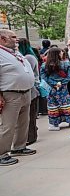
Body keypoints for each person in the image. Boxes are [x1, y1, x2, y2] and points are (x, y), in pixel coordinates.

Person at [0, 30, 36, 166]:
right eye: (13, 37)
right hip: (10, 94)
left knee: (23, 122)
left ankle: (19, 147)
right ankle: (2, 153)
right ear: (2, 39)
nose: (17, 40)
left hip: (25, 92)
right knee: (8, 125)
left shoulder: (14, 52)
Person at [41, 48, 70, 131]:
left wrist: (54, 84)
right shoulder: (66, 64)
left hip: (52, 89)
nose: (62, 54)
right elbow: (69, 76)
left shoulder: (44, 65)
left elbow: (44, 77)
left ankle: (54, 124)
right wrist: (61, 83)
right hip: (64, 88)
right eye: (61, 53)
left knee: (53, 105)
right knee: (67, 104)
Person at [17, 38, 40, 145]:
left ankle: (30, 137)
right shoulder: (27, 57)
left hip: (31, 90)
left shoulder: (28, 58)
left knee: (30, 116)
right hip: (29, 90)